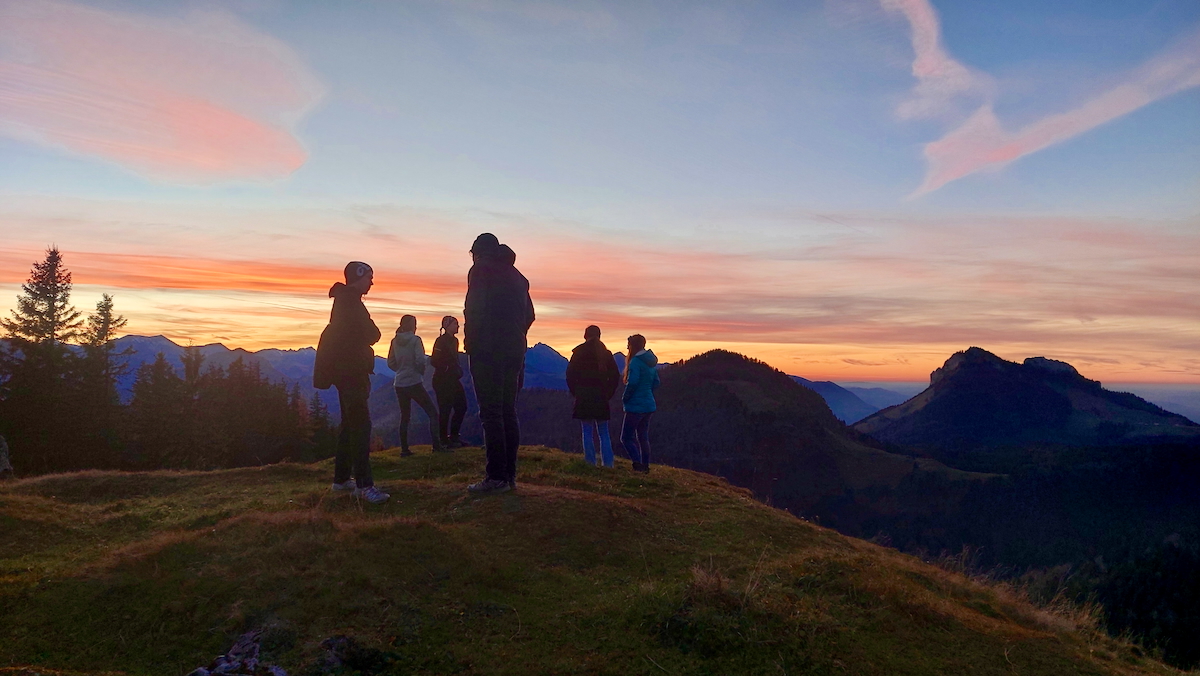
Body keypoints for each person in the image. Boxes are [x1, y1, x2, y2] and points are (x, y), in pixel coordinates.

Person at [463, 233, 535, 494]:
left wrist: (471, 344)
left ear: (479, 252)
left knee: (491, 414)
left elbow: (474, 308)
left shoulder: (481, 270)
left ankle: (496, 478)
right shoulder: (519, 277)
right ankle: (509, 476)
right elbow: (530, 315)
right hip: (515, 351)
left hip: (487, 351)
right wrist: (516, 334)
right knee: (508, 412)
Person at [313, 262, 389, 504]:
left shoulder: (344, 301)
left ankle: (341, 478)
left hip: (343, 371)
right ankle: (365, 486)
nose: (372, 282)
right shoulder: (351, 303)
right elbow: (373, 334)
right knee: (360, 426)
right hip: (351, 372)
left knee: (349, 425)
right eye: (369, 276)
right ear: (358, 276)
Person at [388, 314, 445, 456]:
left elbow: (391, 362)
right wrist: (420, 372)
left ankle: (404, 449)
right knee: (432, 412)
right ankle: (437, 446)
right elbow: (420, 360)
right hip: (414, 381)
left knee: (405, 416)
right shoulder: (415, 340)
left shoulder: (394, 341)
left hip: (399, 383)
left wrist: (400, 370)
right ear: (412, 325)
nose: (416, 326)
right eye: (415, 323)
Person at [566, 325, 619, 467]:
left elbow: (570, 375)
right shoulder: (606, 354)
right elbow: (615, 377)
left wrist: (575, 392)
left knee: (587, 431)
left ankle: (590, 462)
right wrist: (608, 394)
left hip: (583, 396)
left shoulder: (578, 353)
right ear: (600, 335)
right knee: (604, 432)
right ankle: (608, 464)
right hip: (601, 397)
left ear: (585, 336)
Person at [621, 334, 659, 474]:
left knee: (626, 437)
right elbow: (656, 382)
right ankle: (646, 466)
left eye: (628, 345)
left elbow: (633, 382)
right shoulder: (651, 362)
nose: (627, 348)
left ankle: (638, 465)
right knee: (643, 436)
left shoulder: (635, 362)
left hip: (636, 406)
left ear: (633, 346)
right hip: (649, 405)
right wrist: (646, 392)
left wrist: (625, 397)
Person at [431, 315, 468, 449]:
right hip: (442, 380)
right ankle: (444, 440)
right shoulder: (440, 341)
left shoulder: (455, 341)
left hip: (452, 379)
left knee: (461, 406)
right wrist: (447, 368)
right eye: (455, 324)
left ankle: (453, 437)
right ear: (447, 326)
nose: (458, 326)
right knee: (445, 409)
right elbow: (434, 360)